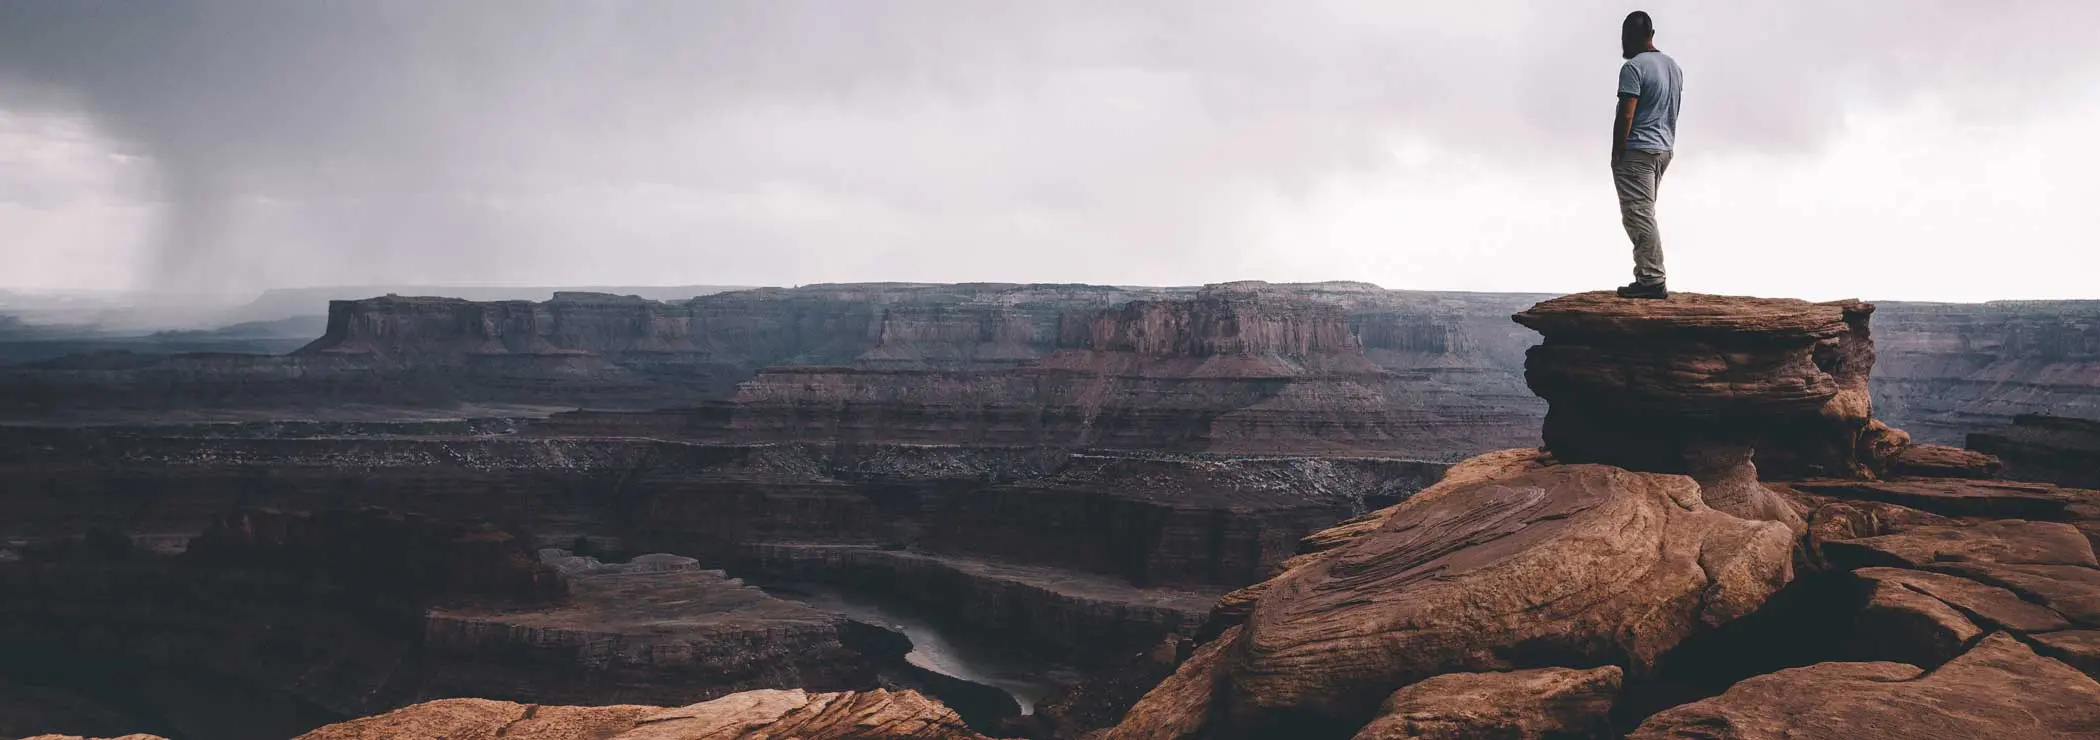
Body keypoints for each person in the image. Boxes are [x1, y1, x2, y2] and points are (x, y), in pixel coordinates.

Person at [1611, 11, 1682, 300]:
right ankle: (1646, 276)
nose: (1622, 44)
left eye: (1624, 37)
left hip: (1638, 150)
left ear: (1635, 35)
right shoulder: (1672, 67)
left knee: (1638, 215)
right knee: (1644, 213)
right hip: (1663, 149)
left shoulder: (1634, 67)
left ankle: (1652, 279)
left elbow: (1627, 112)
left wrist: (1618, 149)